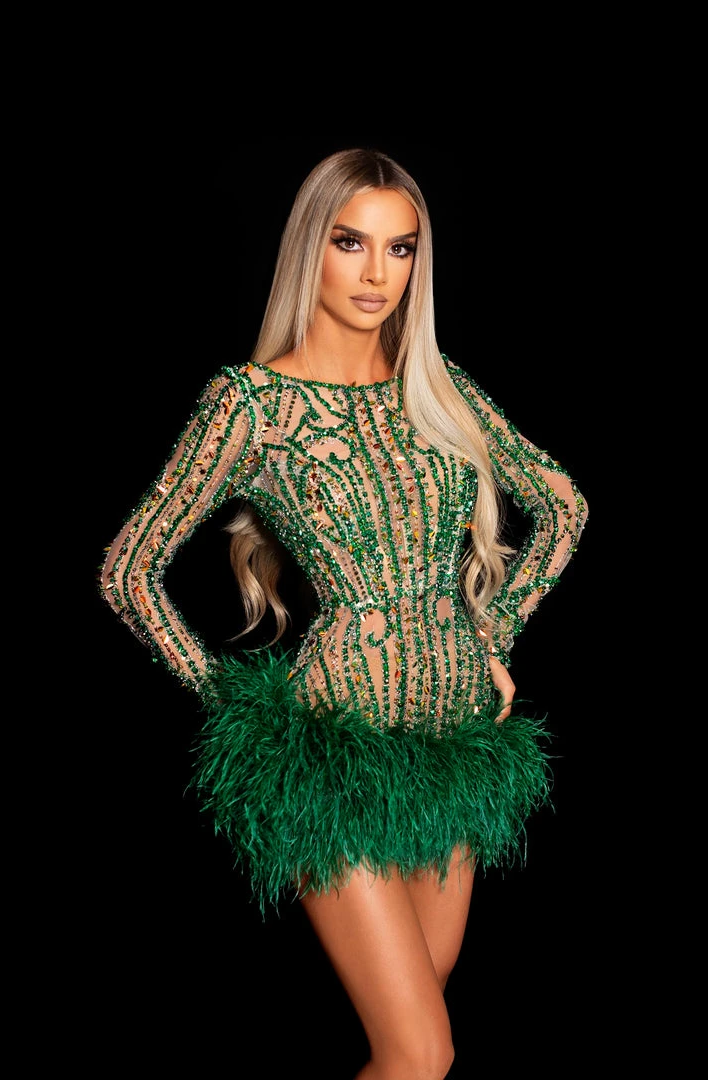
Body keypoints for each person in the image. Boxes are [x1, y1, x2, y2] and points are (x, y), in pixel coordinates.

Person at [99, 147, 588, 1080]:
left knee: (421, 1033)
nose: (376, 273)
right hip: (335, 750)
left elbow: (563, 505)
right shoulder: (252, 404)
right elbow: (130, 571)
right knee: (421, 1050)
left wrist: (494, 635)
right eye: (350, 242)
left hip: (455, 743)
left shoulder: (434, 385)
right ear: (309, 249)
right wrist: (242, 714)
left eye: (401, 249)